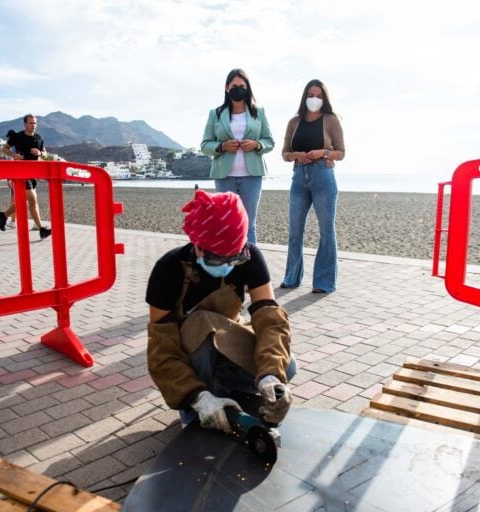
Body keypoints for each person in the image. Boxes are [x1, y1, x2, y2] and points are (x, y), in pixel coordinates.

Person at [146, 189, 296, 434]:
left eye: (235, 258)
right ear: (199, 246)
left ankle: (225, 388)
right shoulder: (168, 270)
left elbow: (270, 320)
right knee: (201, 324)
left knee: (287, 366)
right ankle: (198, 403)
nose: (228, 265)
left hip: (225, 340)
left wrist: (271, 375)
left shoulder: (250, 257)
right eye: (220, 260)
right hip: (190, 355)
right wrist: (196, 396)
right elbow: (161, 349)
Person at [280, 79, 345, 293]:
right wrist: (296, 155)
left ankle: (324, 283)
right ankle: (292, 278)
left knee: (326, 230)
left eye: (318, 96)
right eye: (310, 95)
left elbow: (341, 152)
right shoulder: (294, 121)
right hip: (299, 177)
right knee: (294, 231)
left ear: (324, 98)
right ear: (304, 97)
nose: (314, 99)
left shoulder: (331, 120)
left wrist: (323, 153)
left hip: (323, 176)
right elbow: (285, 154)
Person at [200, 69, 274, 246]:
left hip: (252, 176)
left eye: (242, 86)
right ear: (227, 88)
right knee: (226, 224)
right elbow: (205, 145)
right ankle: (228, 269)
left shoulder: (259, 112)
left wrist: (257, 145)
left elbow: (269, 141)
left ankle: (250, 268)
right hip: (225, 176)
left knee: (249, 225)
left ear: (248, 88)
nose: (238, 89)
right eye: (234, 86)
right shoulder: (215, 114)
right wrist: (222, 146)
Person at [0, 114, 51, 240]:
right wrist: (13, 155)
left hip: (33, 174)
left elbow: (45, 153)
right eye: (31, 123)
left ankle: (4, 216)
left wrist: (40, 153)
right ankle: (41, 229)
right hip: (21, 173)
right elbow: (4, 149)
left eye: (35, 123)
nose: (33, 126)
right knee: (31, 198)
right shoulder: (17, 136)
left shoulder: (39, 138)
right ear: (25, 124)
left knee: (29, 201)